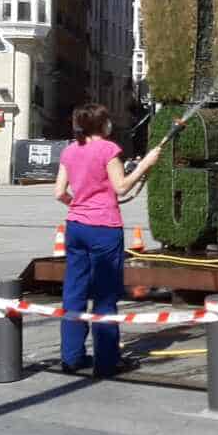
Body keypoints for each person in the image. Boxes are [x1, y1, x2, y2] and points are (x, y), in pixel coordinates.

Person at [54, 103, 163, 377]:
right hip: (104, 227)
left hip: (75, 226)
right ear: (102, 125)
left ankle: (71, 357)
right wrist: (146, 164)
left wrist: (78, 204)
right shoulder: (108, 149)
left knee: (74, 291)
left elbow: (59, 193)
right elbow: (122, 186)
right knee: (105, 294)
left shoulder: (69, 150)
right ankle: (106, 361)